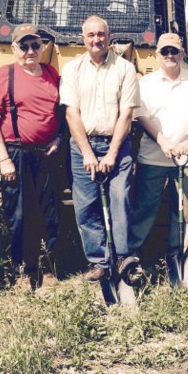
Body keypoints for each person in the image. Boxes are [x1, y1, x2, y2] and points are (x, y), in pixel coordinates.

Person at [0, 25, 63, 290]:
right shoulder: (5, 75)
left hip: (47, 153)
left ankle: (48, 269)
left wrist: (59, 138)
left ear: (42, 47)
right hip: (16, 152)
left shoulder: (52, 74)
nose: (30, 51)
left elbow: (62, 113)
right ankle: (23, 270)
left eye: (35, 46)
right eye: (24, 46)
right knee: (20, 214)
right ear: (14, 48)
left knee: (50, 211)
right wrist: (3, 158)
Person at [60, 15, 140, 281]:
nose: (96, 39)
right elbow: (72, 114)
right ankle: (100, 262)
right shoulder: (72, 70)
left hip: (116, 144)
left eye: (101, 34)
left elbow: (126, 115)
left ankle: (123, 259)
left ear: (109, 36)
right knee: (85, 206)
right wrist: (87, 153)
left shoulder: (125, 69)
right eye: (91, 35)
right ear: (83, 39)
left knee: (120, 199)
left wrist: (112, 154)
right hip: (83, 145)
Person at [128, 33, 188, 270]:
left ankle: (177, 256)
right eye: (165, 52)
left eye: (174, 51)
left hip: (187, 157)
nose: (170, 56)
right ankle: (134, 254)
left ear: (182, 53)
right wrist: (162, 141)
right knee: (144, 207)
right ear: (157, 55)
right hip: (153, 157)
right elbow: (141, 115)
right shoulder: (146, 83)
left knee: (183, 210)